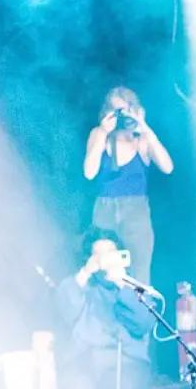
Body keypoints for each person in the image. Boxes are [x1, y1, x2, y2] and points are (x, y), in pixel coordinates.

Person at [52, 229, 158, 389]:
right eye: (98, 254)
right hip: (87, 361)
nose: (105, 258)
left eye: (110, 252)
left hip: (126, 360)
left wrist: (121, 282)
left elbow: (143, 323)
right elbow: (64, 305)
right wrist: (85, 273)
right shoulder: (83, 287)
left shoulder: (133, 287)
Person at [82, 87, 174, 288]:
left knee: (138, 275)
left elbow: (167, 167)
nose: (122, 117)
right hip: (104, 210)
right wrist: (103, 134)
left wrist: (145, 127)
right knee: (102, 271)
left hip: (136, 211)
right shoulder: (99, 134)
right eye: (116, 111)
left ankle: (138, 317)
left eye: (126, 111)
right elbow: (89, 173)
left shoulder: (142, 139)